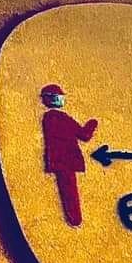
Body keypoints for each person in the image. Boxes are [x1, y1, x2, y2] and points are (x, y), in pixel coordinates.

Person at [40, 84, 98, 227]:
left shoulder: (48, 118)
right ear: (54, 99)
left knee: (67, 189)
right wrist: (92, 124)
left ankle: (74, 217)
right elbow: (84, 135)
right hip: (67, 159)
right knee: (70, 190)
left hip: (58, 160)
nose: (62, 99)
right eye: (60, 97)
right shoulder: (59, 117)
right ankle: (75, 218)